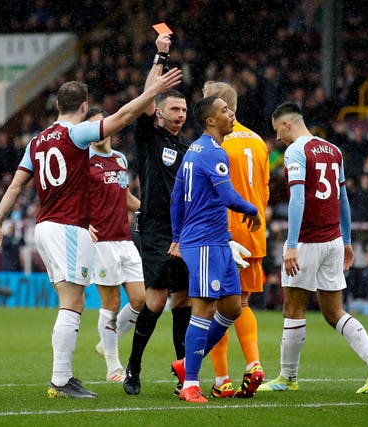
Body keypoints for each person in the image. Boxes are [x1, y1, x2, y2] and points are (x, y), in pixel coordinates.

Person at [0, 68, 183, 399]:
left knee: (72, 300)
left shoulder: (37, 140)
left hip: (45, 226)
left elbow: (18, 184)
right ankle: (61, 379)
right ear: (83, 107)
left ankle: (64, 377)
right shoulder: (75, 134)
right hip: (67, 227)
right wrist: (153, 92)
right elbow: (122, 117)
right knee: (72, 302)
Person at [258, 102, 368, 395]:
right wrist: (345, 240)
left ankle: (287, 378)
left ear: (286, 125)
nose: (278, 140)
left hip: (307, 241)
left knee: (292, 309)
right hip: (333, 241)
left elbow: (297, 200)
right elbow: (342, 199)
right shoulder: (333, 150)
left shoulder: (296, 151)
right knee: (334, 312)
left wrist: (292, 245)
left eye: (277, 132)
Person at [168, 96, 262, 403]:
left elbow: (176, 196)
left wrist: (178, 236)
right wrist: (252, 209)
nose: (231, 114)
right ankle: (190, 384)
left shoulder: (194, 149)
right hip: (206, 241)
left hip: (216, 240)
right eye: (224, 111)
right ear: (211, 120)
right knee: (204, 309)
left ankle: (186, 365)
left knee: (232, 306)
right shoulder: (212, 152)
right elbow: (228, 196)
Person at [123, 33, 193, 396]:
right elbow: (143, 100)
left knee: (183, 301)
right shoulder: (149, 136)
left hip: (185, 231)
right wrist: (160, 58)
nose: (180, 116)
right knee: (155, 300)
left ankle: (186, 374)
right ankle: (133, 367)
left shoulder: (188, 146)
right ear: (161, 111)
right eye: (174, 110)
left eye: (183, 111)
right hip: (154, 228)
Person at [202, 81, 270, 399]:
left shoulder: (218, 143)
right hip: (254, 232)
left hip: (224, 234)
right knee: (242, 303)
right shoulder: (258, 141)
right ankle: (254, 364)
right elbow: (266, 191)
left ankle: (222, 380)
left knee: (217, 306)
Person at [85, 108, 146, 383]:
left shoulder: (120, 158)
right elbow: (74, 200)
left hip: (124, 238)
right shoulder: (83, 162)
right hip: (102, 242)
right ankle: (113, 367)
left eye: (101, 124)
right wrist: (82, 223)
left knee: (141, 299)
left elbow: (125, 197)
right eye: (92, 126)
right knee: (110, 303)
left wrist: (146, 209)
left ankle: (105, 342)